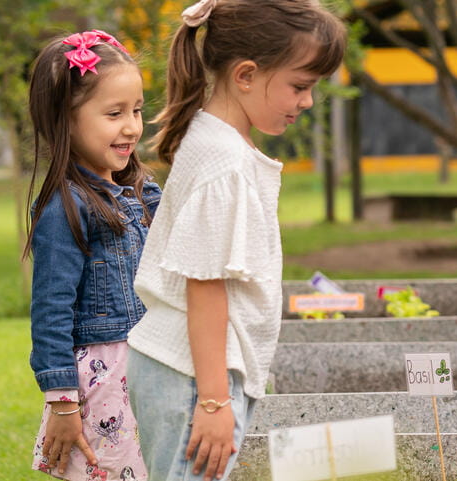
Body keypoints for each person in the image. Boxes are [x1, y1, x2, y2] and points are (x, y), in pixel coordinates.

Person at [124, 0, 345, 479]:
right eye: (300, 86)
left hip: (186, 373)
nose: (307, 101)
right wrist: (212, 401)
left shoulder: (217, 143)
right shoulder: (225, 163)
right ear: (245, 75)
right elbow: (205, 286)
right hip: (193, 379)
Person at [24, 29, 158, 480]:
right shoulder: (66, 208)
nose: (132, 127)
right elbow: (51, 308)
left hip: (152, 363)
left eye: (137, 111)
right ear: (66, 120)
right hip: (105, 382)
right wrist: (62, 402)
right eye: (114, 113)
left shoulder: (141, 192)